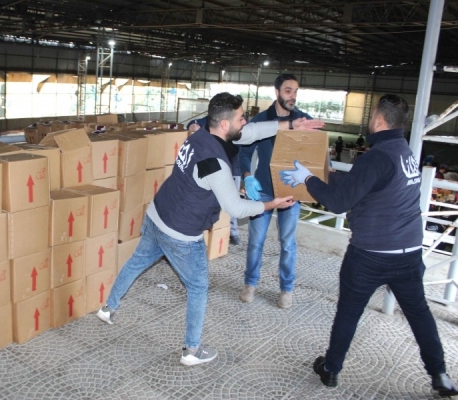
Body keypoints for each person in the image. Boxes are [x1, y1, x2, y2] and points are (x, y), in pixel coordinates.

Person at [97, 92, 324, 367]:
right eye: (241, 118)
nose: (245, 121)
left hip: (157, 214)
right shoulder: (215, 162)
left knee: (136, 262)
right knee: (198, 287)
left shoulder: (202, 132)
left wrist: (290, 125)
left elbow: (251, 133)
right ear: (225, 124)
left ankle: (107, 308)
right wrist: (270, 204)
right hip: (181, 233)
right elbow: (236, 208)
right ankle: (191, 350)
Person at [279, 94, 458, 396]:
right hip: (408, 254)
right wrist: (326, 175)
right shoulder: (404, 152)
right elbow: (364, 185)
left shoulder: (376, 157)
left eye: (372, 114)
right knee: (419, 314)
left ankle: (331, 369)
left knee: (349, 312)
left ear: (379, 119)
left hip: (371, 254)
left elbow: (338, 202)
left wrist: (308, 179)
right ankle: (440, 374)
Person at [238, 73, 314, 309]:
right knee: (255, 241)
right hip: (262, 190)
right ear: (277, 92)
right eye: (288, 91)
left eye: (296, 91)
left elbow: (315, 151)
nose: (293, 96)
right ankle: (250, 284)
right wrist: (247, 176)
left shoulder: (303, 120)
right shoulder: (261, 120)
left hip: (291, 191)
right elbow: (244, 152)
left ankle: (286, 289)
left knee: (288, 243)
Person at [187, 116, 242, 246]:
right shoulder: (213, 119)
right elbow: (196, 122)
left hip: (232, 170)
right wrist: (192, 125)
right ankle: (211, 232)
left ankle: (233, 232)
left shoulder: (237, 122)